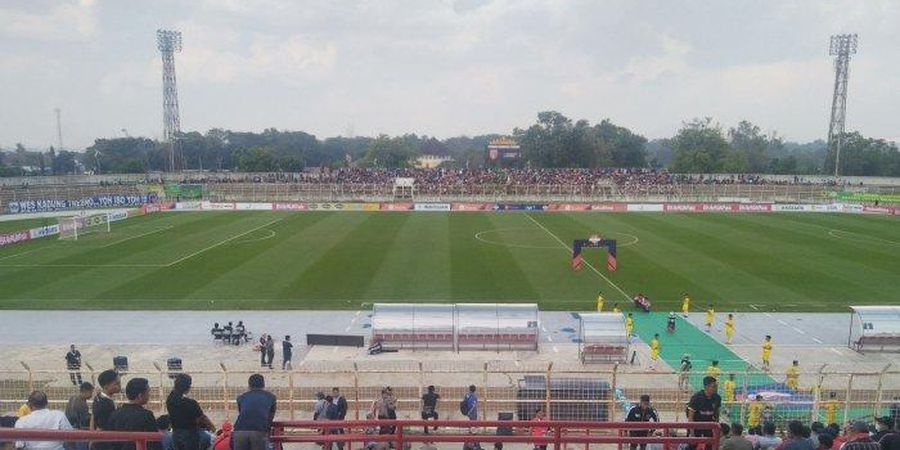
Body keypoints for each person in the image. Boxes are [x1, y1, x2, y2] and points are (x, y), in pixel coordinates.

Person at [107, 378, 161, 450]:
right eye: (148, 392)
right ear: (140, 395)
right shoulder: (147, 415)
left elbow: (110, 441)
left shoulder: (115, 414)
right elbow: (153, 443)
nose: (149, 395)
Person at [167, 374, 215, 450]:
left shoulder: (170, 400)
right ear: (188, 387)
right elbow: (202, 418)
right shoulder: (191, 403)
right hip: (190, 434)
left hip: (176, 433)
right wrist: (213, 428)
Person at [234, 374, 277, 450]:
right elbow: (270, 417)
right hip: (259, 431)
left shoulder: (241, 397)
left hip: (239, 431)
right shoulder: (271, 397)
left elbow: (242, 413)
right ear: (263, 385)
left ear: (249, 385)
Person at [686, 376, 721, 449]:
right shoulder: (697, 398)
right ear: (706, 387)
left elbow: (717, 413)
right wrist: (692, 433)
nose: (716, 388)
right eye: (714, 386)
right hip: (696, 426)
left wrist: (716, 427)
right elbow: (690, 417)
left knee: (709, 446)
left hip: (709, 427)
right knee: (692, 446)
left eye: (716, 386)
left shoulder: (717, 398)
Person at [92, 369, 121, 450]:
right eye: (116, 384)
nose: (119, 386)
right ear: (106, 387)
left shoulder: (98, 397)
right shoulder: (106, 404)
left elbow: (93, 418)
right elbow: (101, 427)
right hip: (105, 443)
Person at [64, 382, 93, 450]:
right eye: (91, 392)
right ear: (86, 391)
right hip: (77, 430)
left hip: (68, 428)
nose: (91, 395)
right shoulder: (82, 404)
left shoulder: (73, 398)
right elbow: (84, 420)